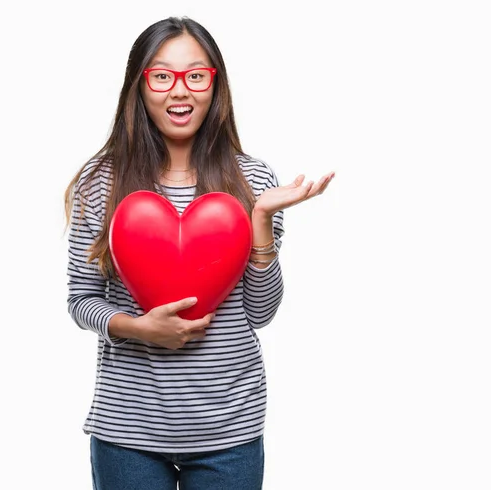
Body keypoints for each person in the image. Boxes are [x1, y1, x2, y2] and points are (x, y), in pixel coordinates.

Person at [64, 16, 334, 490]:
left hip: (231, 431)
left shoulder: (254, 180)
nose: (179, 91)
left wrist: (261, 223)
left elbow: (261, 312)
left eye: (196, 74)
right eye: (162, 75)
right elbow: (81, 299)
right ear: (139, 86)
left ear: (215, 84)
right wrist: (138, 328)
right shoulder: (101, 181)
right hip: (129, 431)